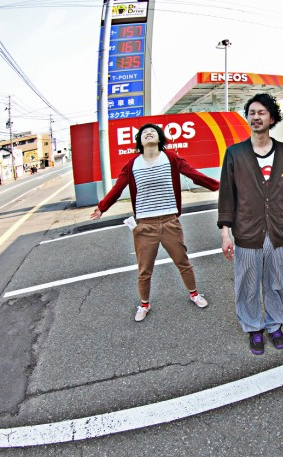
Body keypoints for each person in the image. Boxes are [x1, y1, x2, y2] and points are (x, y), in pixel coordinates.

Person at [90, 123, 220, 322]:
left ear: (159, 138)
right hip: (145, 225)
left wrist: (218, 185)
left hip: (170, 222)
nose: (149, 133)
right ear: (140, 141)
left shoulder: (171, 158)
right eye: (144, 133)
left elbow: (193, 173)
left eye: (153, 131)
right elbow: (118, 188)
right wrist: (102, 206)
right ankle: (144, 304)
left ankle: (194, 294)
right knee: (144, 270)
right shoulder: (132, 164)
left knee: (183, 262)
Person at [217, 93, 283, 355]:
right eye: (251, 113)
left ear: (272, 118)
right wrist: (225, 233)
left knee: (277, 283)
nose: (255, 117)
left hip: (278, 232)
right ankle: (253, 327)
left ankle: (275, 325)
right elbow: (227, 194)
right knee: (248, 284)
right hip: (246, 232)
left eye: (261, 112)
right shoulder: (235, 153)